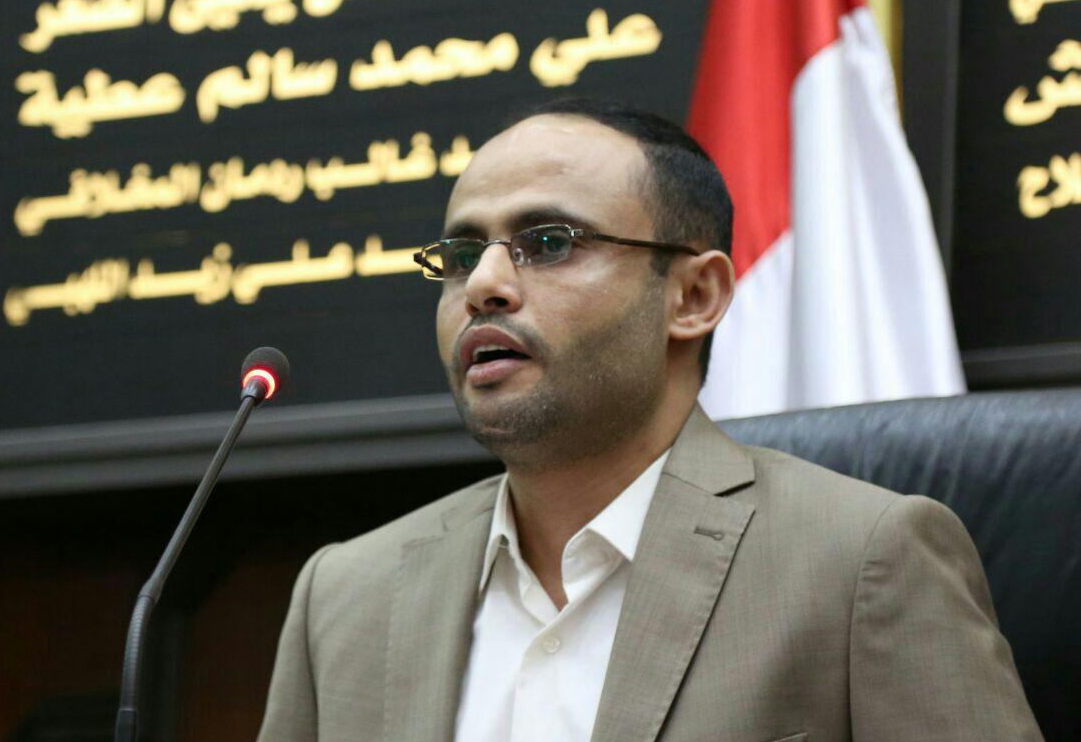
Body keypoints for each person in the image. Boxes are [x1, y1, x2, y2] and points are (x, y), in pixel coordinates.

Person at [256, 98, 1042, 742]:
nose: (484, 285)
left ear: (693, 296)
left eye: (547, 242)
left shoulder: (864, 561)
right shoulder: (345, 597)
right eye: (461, 256)